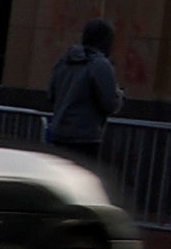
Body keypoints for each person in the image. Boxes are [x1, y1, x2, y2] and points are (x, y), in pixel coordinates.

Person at [43, 19, 123, 163]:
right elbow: (110, 103)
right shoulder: (100, 65)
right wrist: (119, 95)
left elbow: (51, 94)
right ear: (104, 40)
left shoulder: (64, 61)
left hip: (59, 132)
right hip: (85, 137)